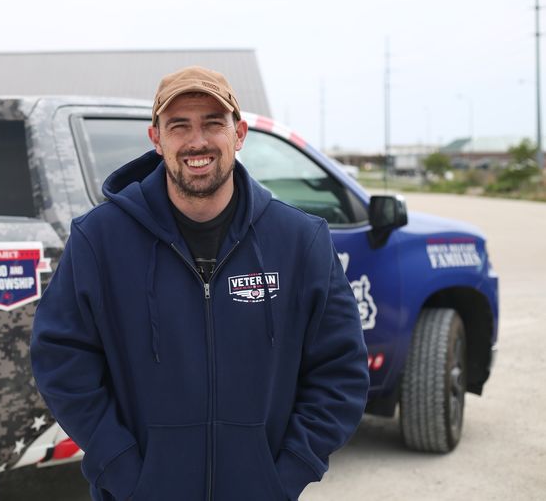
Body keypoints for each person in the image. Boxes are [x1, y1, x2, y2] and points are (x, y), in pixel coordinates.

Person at [30, 66, 369, 501]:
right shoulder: (99, 240)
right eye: (179, 126)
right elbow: (61, 361)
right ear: (156, 139)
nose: (197, 141)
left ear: (239, 133)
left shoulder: (300, 240)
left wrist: (286, 474)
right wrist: (122, 468)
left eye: (213, 123)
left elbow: (340, 371)